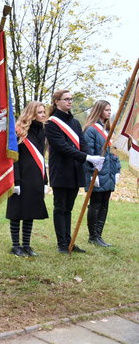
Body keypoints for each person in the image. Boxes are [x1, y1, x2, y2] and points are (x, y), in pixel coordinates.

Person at [45, 89, 104, 254]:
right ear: (56, 101)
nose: (70, 102)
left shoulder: (75, 123)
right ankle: (61, 244)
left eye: (71, 99)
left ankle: (69, 241)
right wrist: (86, 157)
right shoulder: (51, 123)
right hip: (61, 171)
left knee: (68, 209)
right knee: (60, 207)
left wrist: (92, 160)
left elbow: (82, 143)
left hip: (75, 171)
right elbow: (62, 147)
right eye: (66, 99)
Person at [6, 102, 48, 257]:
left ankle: (27, 245)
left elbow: (42, 158)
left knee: (30, 212)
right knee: (17, 212)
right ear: (31, 113)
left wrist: (45, 181)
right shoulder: (18, 131)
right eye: (40, 112)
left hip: (35, 177)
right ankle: (15, 246)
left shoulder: (42, 131)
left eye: (44, 112)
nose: (43, 115)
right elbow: (13, 159)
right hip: (20, 177)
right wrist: (15, 181)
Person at [83, 100, 121, 247]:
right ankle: (93, 236)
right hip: (98, 174)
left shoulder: (107, 130)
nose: (109, 112)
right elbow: (89, 154)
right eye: (106, 110)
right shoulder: (91, 130)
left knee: (104, 204)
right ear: (98, 111)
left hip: (109, 173)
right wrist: (93, 174)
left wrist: (117, 170)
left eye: (110, 110)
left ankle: (99, 235)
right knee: (95, 204)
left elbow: (114, 153)